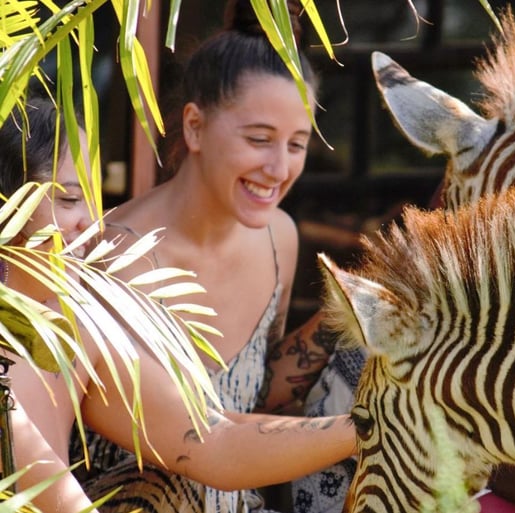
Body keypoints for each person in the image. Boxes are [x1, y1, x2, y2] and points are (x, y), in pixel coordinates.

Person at [1, 98, 353, 513]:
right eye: (69, 200)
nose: (91, 224)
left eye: (92, 200)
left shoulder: (74, 317)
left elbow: (212, 439)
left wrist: (368, 426)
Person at [67, 0, 350, 512]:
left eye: (297, 144)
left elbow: (257, 400)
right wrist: (374, 428)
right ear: (194, 127)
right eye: (259, 139)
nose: (278, 168)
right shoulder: (108, 258)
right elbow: (208, 441)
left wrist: (353, 317)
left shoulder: (278, 237)